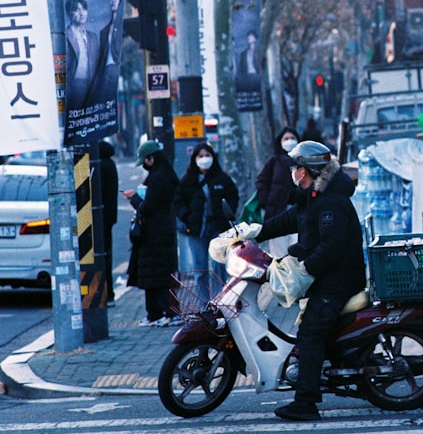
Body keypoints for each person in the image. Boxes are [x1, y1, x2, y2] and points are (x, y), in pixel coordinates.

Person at [254, 141, 366, 421]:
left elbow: (332, 248)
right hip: (326, 278)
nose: (292, 171)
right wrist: (255, 231)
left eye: (295, 167)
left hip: (338, 281)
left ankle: (306, 402)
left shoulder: (330, 202)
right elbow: (291, 219)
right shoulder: (313, 197)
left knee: (310, 333)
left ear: (304, 171)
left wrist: (305, 268)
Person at [123, 140, 180, 327]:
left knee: (158, 276)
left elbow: (148, 207)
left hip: (155, 233)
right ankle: (155, 313)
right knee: (157, 275)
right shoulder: (167, 174)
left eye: (145, 161)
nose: (145, 165)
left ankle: (168, 313)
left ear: (151, 158)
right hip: (163, 231)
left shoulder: (157, 178)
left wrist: (134, 199)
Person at [174, 143, 239, 301]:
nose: (204, 159)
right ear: (195, 159)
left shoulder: (222, 178)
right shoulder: (188, 180)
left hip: (219, 229)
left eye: (207, 155)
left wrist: (227, 213)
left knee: (219, 269)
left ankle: (219, 302)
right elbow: (178, 201)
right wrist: (187, 217)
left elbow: (233, 197)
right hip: (197, 230)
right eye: (200, 156)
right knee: (200, 270)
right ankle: (204, 306)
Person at [255, 127, 300, 256]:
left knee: (297, 253)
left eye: (292, 138)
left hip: (298, 211)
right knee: (279, 254)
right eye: (286, 138)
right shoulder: (274, 161)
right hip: (276, 212)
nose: (289, 141)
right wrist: (266, 200)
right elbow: (261, 181)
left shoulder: (303, 161)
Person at [64, 0, 104, 112]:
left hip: (92, 85)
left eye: (84, 9)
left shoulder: (92, 37)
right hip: (75, 84)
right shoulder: (65, 36)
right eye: (77, 9)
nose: (82, 13)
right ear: (69, 13)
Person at [97, 141, 119, 306]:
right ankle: (108, 292)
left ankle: (105, 293)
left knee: (100, 257)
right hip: (108, 217)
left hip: (99, 218)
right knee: (106, 255)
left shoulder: (98, 165)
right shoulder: (109, 163)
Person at [97, 0, 123, 103]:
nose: (113, 0)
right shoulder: (104, 30)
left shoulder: (122, 26)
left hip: (116, 71)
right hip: (105, 73)